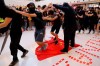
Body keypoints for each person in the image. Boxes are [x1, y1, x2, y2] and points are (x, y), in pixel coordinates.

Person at [0, 0, 28, 66]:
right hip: (12, 29)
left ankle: (15, 59)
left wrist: (23, 27)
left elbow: (5, 24)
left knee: (13, 45)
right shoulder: (5, 10)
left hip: (17, 29)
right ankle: (24, 51)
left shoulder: (9, 11)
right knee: (15, 44)